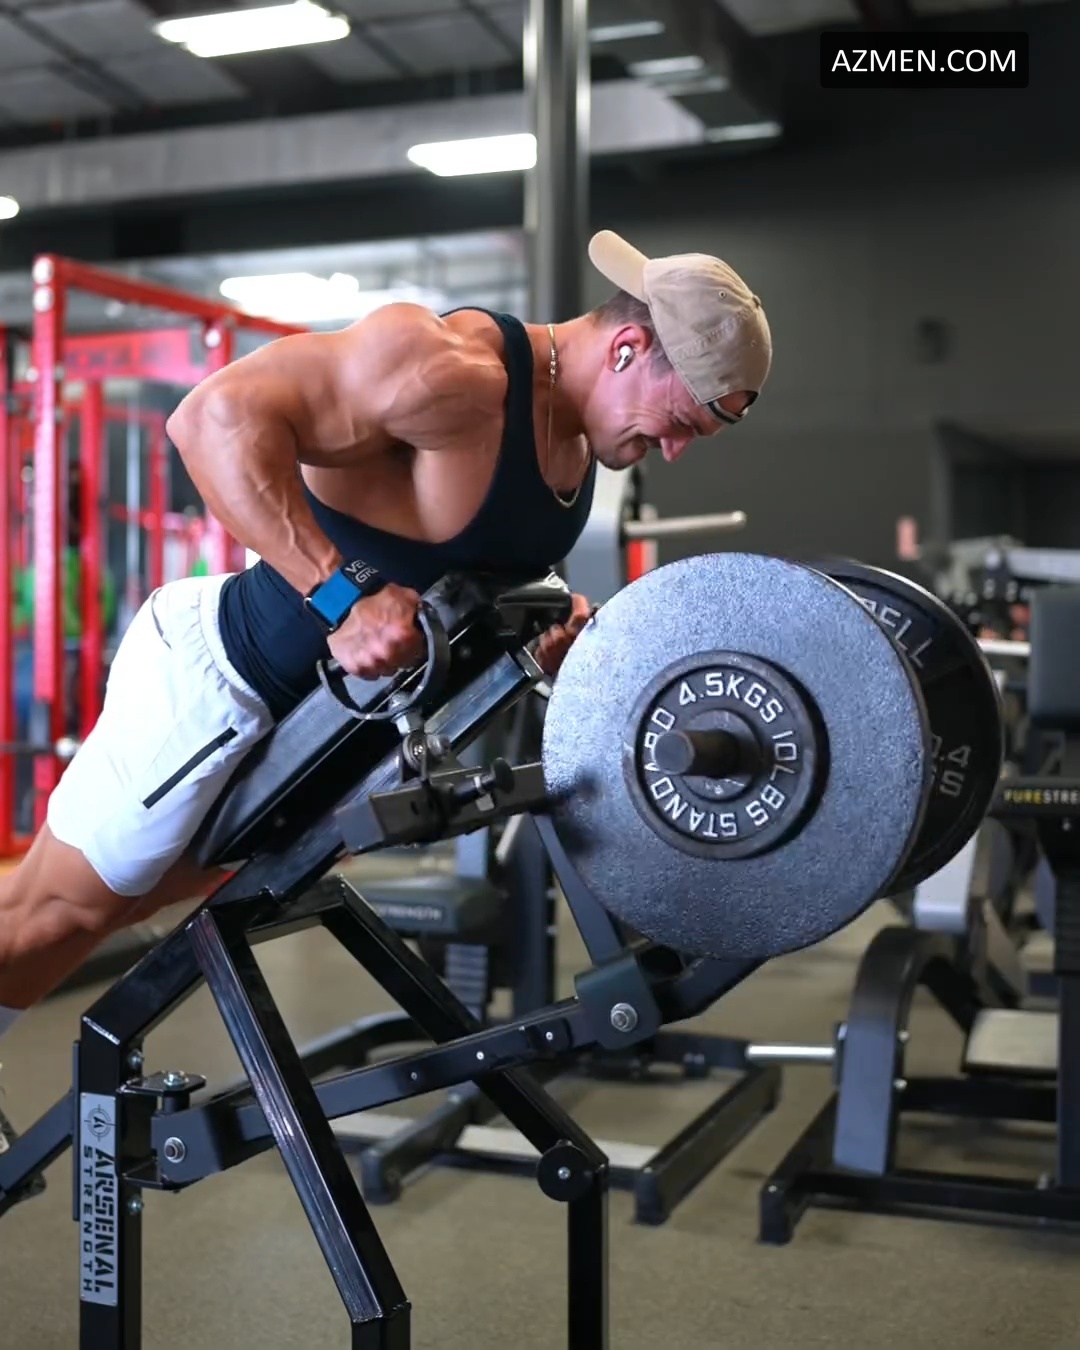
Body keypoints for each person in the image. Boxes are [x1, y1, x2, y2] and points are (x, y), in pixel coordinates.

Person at [0, 229, 771, 1188]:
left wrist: (534, 636)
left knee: (114, 909)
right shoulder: (449, 371)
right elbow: (211, 418)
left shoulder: (575, 443)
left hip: (314, 738)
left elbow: (453, 578)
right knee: (56, 912)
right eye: (681, 420)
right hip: (221, 681)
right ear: (627, 347)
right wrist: (339, 597)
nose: (677, 450)